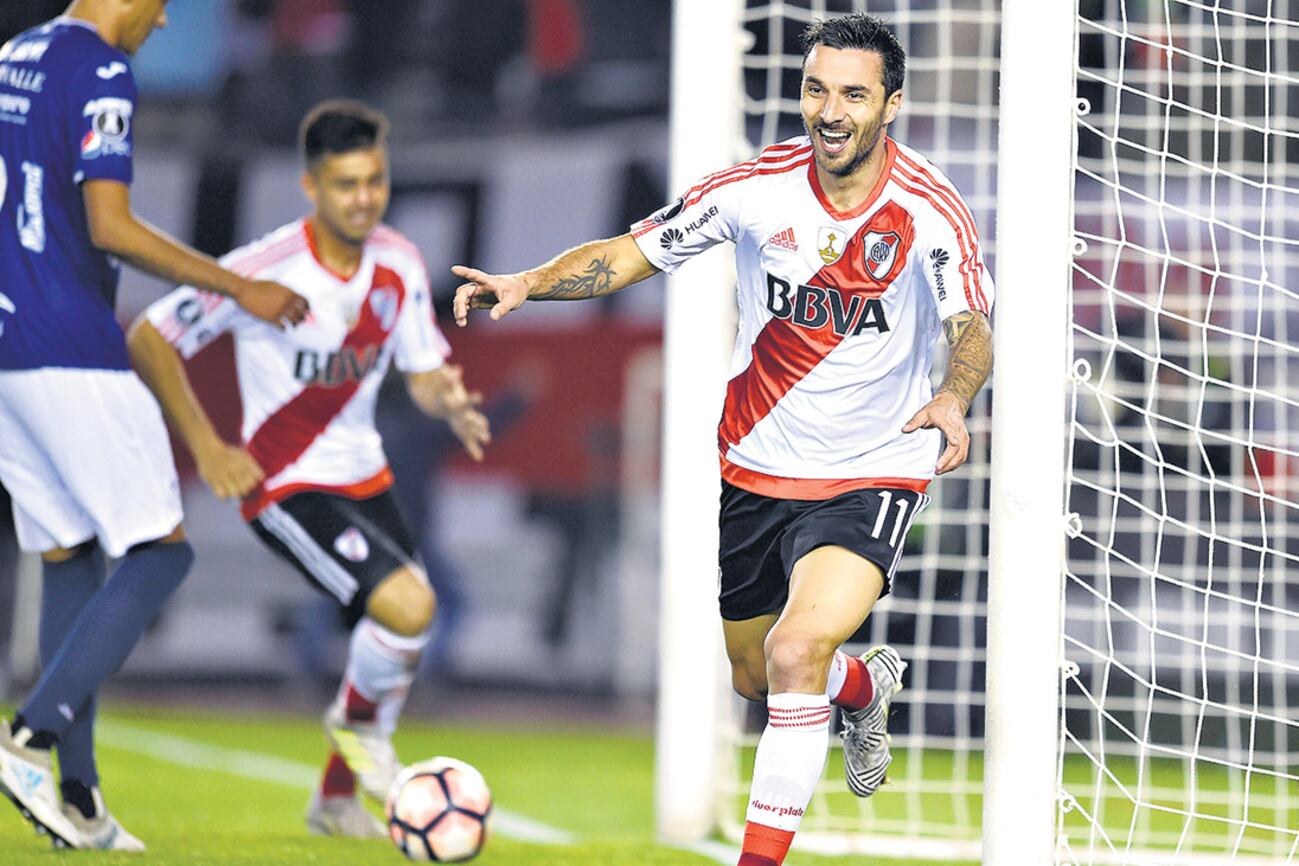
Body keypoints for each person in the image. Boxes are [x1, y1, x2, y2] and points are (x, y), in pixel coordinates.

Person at [452, 13, 994, 866]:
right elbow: (629, 255)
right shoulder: (751, 188)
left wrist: (955, 399)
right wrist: (528, 282)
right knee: (753, 674)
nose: (830, 110)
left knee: (794, 648)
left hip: (874, 467)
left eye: (853, 94)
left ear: (891, 104)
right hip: (758, 464)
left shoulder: (929, 211)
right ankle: (863, 686)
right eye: (816, 88)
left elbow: (971, 325)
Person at [127, 99, 491, 839]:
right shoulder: (263, 269)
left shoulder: (399, 261)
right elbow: (150, 338)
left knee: (391, 635)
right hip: (283, 480)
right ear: (310, 186)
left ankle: (332, 799)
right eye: (346, 183)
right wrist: (206, 446)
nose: (364, 198)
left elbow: (420, 369)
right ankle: (358, 738)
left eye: (375, 181)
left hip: (367, 473)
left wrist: (445, 398)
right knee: (408, 609)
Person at [0, 0, 307, 851]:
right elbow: (112, 226)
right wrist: (240, 287)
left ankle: (81, 798)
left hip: (6, 349)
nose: (164, 21)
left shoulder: (11, 56)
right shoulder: (100, 69)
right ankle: (28, 737)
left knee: (68, 557)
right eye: (162, 3)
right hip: (69, 343)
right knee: (160, 551)